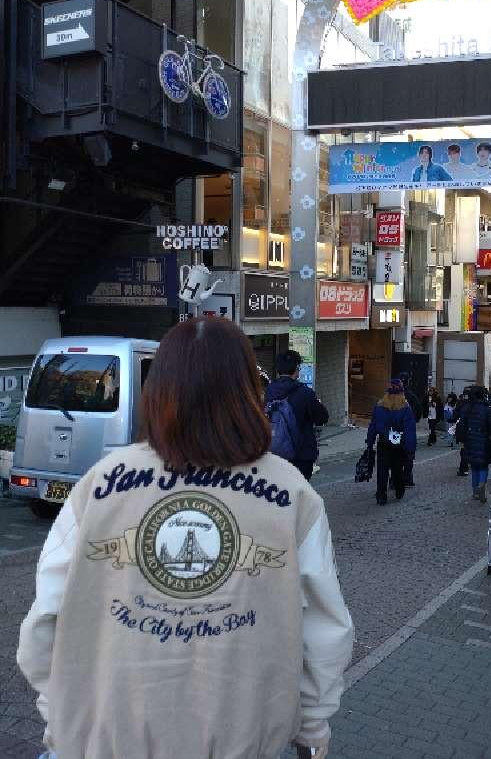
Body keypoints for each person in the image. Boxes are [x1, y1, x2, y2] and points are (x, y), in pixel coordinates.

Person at [17, 318, 353, 759]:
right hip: (241, 742)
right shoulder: (291, 494)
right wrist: (311, 728)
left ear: (158, 391)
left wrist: (62, 714)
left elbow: (44, 623)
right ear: (248, 391)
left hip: (103, 740)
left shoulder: (98, 486)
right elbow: (324, 632)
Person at [266, 349, 329, 481]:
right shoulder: (305, 393)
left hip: (275, 453)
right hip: (301, 455)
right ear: (297, 369)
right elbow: (322, 418)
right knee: (299, 496)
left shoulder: (268, 392)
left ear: (278, 370)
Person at [366, 378, 417, 505]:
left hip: (383, 443)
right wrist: (410, 449)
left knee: (382, 470)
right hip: (398, 444)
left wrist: (370, 441)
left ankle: (381, 495)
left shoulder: (380, 406)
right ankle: (399, 490)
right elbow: (409, 430)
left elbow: (373, 425)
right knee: (397, 469)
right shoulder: (405, 407)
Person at [455, 386, 491, 503]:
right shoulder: (487, 409)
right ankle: (482, 484)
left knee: (474, 466)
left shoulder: (467, 408)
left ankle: (475, 491)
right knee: (483, 465)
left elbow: (461, 425)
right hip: (483, 440)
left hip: (470, 440)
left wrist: (462, 439)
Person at [399, 372, 422, 487]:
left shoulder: (390, 396)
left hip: (395, 430)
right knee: (408, 456)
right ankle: (407, 479)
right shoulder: (411, 396)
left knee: (395, 455)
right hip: (408, 430)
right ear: (408, 381)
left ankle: (394, 481)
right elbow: (418, 412)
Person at [454, 388, 471, 476]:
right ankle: (466, 466)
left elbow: (455, 415)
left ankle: (463, 468)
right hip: (470, 430)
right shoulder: (472, 403)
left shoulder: (461, 403)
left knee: (464, 449)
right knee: (467, 448)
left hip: (462, 429)